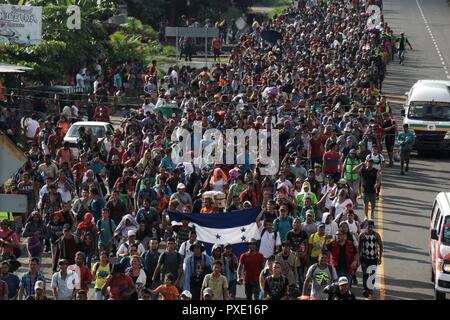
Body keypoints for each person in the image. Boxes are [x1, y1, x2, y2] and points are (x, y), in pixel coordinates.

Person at [359, 220, 383, 298]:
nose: (369, 228)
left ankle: (370, 289)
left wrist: (379, 257)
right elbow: (359, 246)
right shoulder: (362, 235)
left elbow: (381, 245)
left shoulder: (376, 235)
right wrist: (359, 256)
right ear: (366, 226)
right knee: (365, 273)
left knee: (372, 274)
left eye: (371, 227)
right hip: (364, 258)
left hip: (374, 258)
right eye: (368, 226)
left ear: (373, 227)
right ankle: (365, 289)